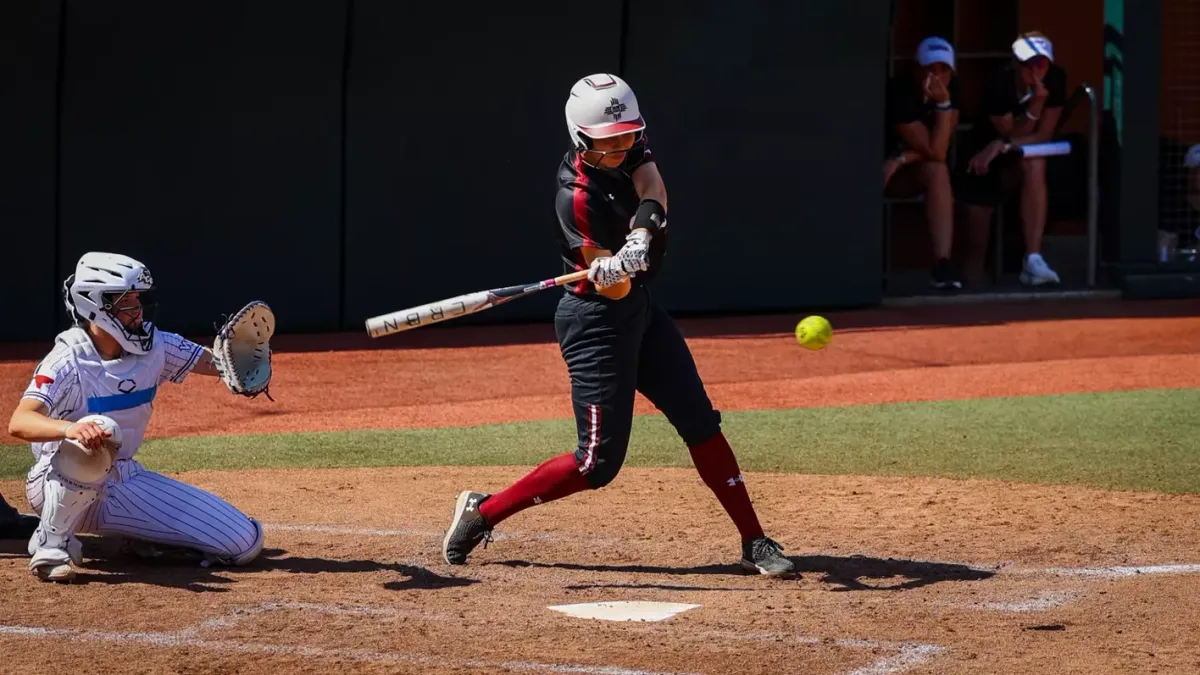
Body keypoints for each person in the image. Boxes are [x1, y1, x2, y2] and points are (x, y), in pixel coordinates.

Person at [441, 73, 795, 577]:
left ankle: (754, 540)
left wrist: (640, 236)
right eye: (610, 142)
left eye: (629, 135)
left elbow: (653, 186)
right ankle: (485, 510)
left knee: (700, 422)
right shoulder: (576, 199)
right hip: (596, 322)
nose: (624, 147)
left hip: (641, 311)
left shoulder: (629, 146)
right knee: (596, 465)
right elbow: (613, 290)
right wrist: (614, 270)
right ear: (581, 140)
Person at [7, 252, 265, 582]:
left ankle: (141, 533)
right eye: (125, 302)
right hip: (55, 481)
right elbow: (20, 421)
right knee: (101, 429)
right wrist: (72, 429)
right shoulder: (67, 359)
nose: (137, 310)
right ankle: (50, 543)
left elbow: (218, 364)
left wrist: (241, 365)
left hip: (121, 479)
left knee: (244, 544)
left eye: (137, 300)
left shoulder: (155, 345)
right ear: (95, 306)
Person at [956, 32, 1066, 286]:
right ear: (1016, 63)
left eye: (1041, 63)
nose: (1035, 70)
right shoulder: (998, 83)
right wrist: (1034, 107)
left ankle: (1033, 259)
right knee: (974, 258)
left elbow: (1044, 135)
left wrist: (1003, 145)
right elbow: (1012, 131)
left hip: (1012, 152)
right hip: (981, 156)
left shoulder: (1056, 79)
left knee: (1036, 163)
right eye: (1028, 63)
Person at [884, 36, 962, 289]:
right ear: (917, 69)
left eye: (943, 69)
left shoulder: (952, 93)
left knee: (938, 171)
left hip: (904, 165)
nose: (937, 75)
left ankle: (942, 264)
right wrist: (898, 158)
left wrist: (943, 104)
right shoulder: (900, 91)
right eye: (930, 68)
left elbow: (939, 151)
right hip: (882, 170)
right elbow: (931, 146)